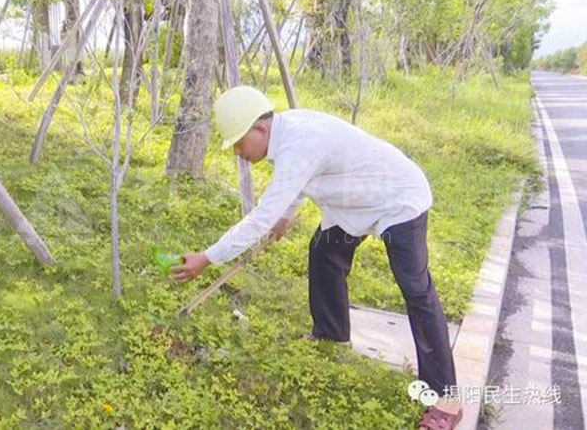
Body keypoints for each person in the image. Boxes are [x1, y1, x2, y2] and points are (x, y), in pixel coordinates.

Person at [171, 86, 463, 430]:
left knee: (416, 290)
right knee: (324, 251)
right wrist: (285, 215)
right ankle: (331, 333)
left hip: (398, 199)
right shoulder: (286, 134)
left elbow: (263, 214)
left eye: (238, 143)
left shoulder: (299, 143)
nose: (238, 152)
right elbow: (298, 182)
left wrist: (207, 257)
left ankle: (446, 399)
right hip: (354, 200)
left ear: (260, 129)